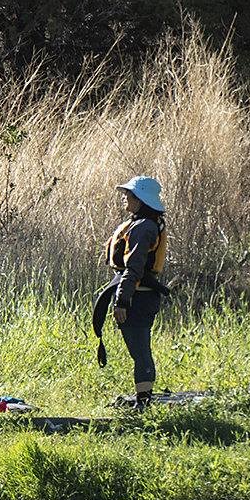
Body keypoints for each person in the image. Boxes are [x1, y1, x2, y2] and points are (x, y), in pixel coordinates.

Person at [105, 175, 171, 409]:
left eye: (128, 194)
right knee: (139, 349)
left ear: (140, 199)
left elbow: (134, 268)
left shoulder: (144, 228)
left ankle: (143, 404)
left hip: (137, 296)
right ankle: (142, 400)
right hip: (138, 293)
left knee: (140, 350)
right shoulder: (142, 223)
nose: (124, 197)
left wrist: (122, 301)